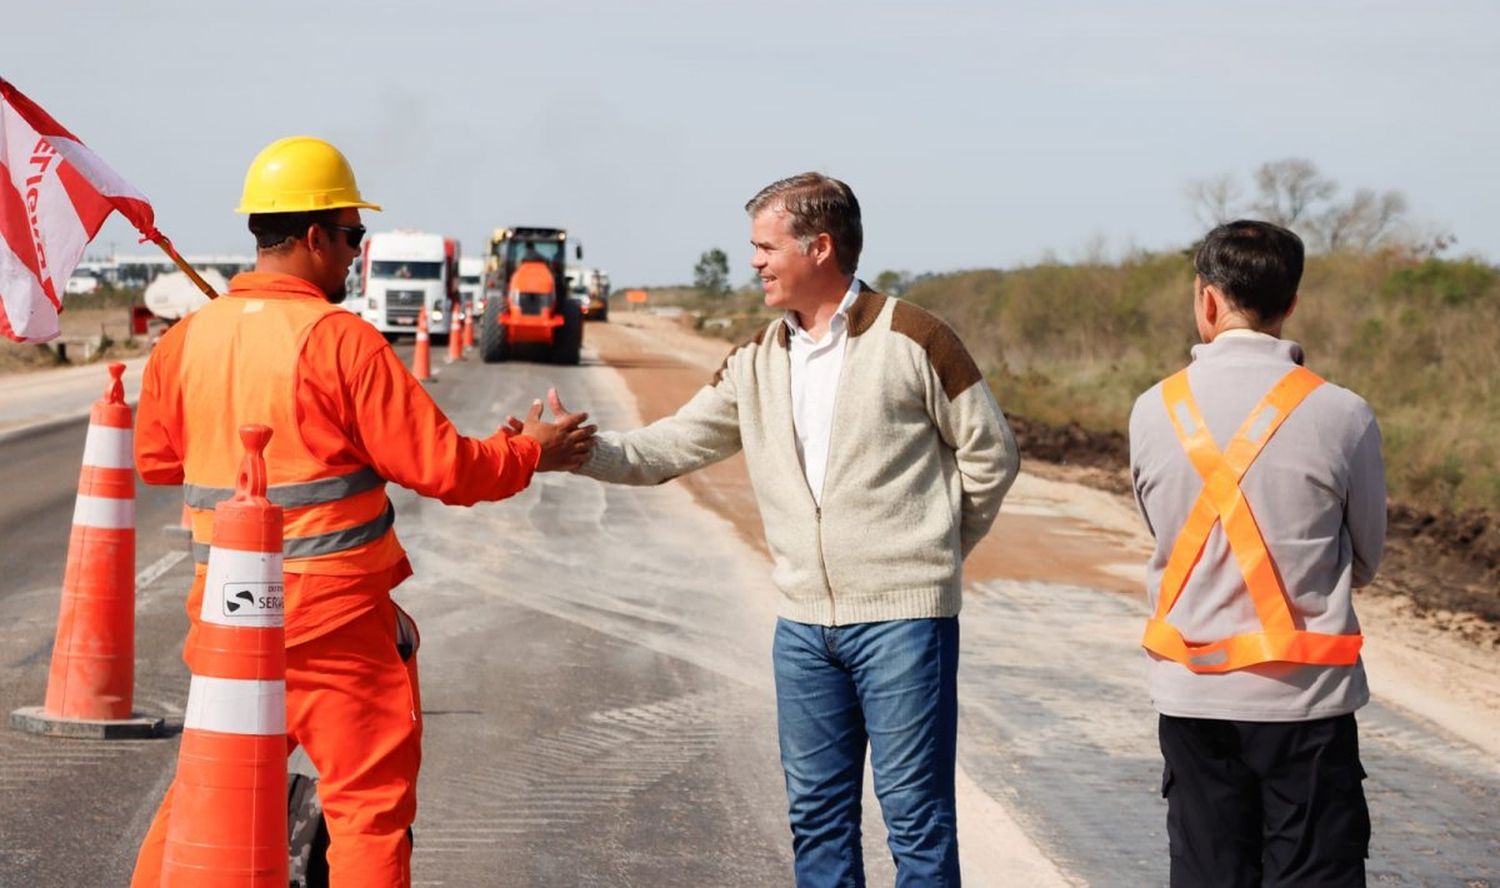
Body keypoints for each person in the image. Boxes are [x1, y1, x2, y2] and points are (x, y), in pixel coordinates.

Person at [130, 136, 595, 887]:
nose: (355, 252)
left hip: (225, 618)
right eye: (351, 235)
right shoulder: (339, 341)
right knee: (366, 811)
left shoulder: (187, 339)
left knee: (203, 802)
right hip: (334, 624)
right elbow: (445, 467)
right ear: (314, 236)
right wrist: (531, 451)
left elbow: (157, 461)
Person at [561, 172, 1019, 885]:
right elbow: (668, 447)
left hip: (905, 624)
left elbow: (992, 454)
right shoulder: (755, 359)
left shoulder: (915, 338)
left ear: (820, 247)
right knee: (817, 819)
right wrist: (576, 449)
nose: (755, 262)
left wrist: (934, 552)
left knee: (917, 823)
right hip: (804, 633)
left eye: (766, 246)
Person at [1128, 220, 1385, 887]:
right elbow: (1364, 558)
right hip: (1307, 709)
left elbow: (1164, 528)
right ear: (1290, 303)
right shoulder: (1344, 413)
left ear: (1206, 300)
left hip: (1193, 700)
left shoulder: (1153, 409)